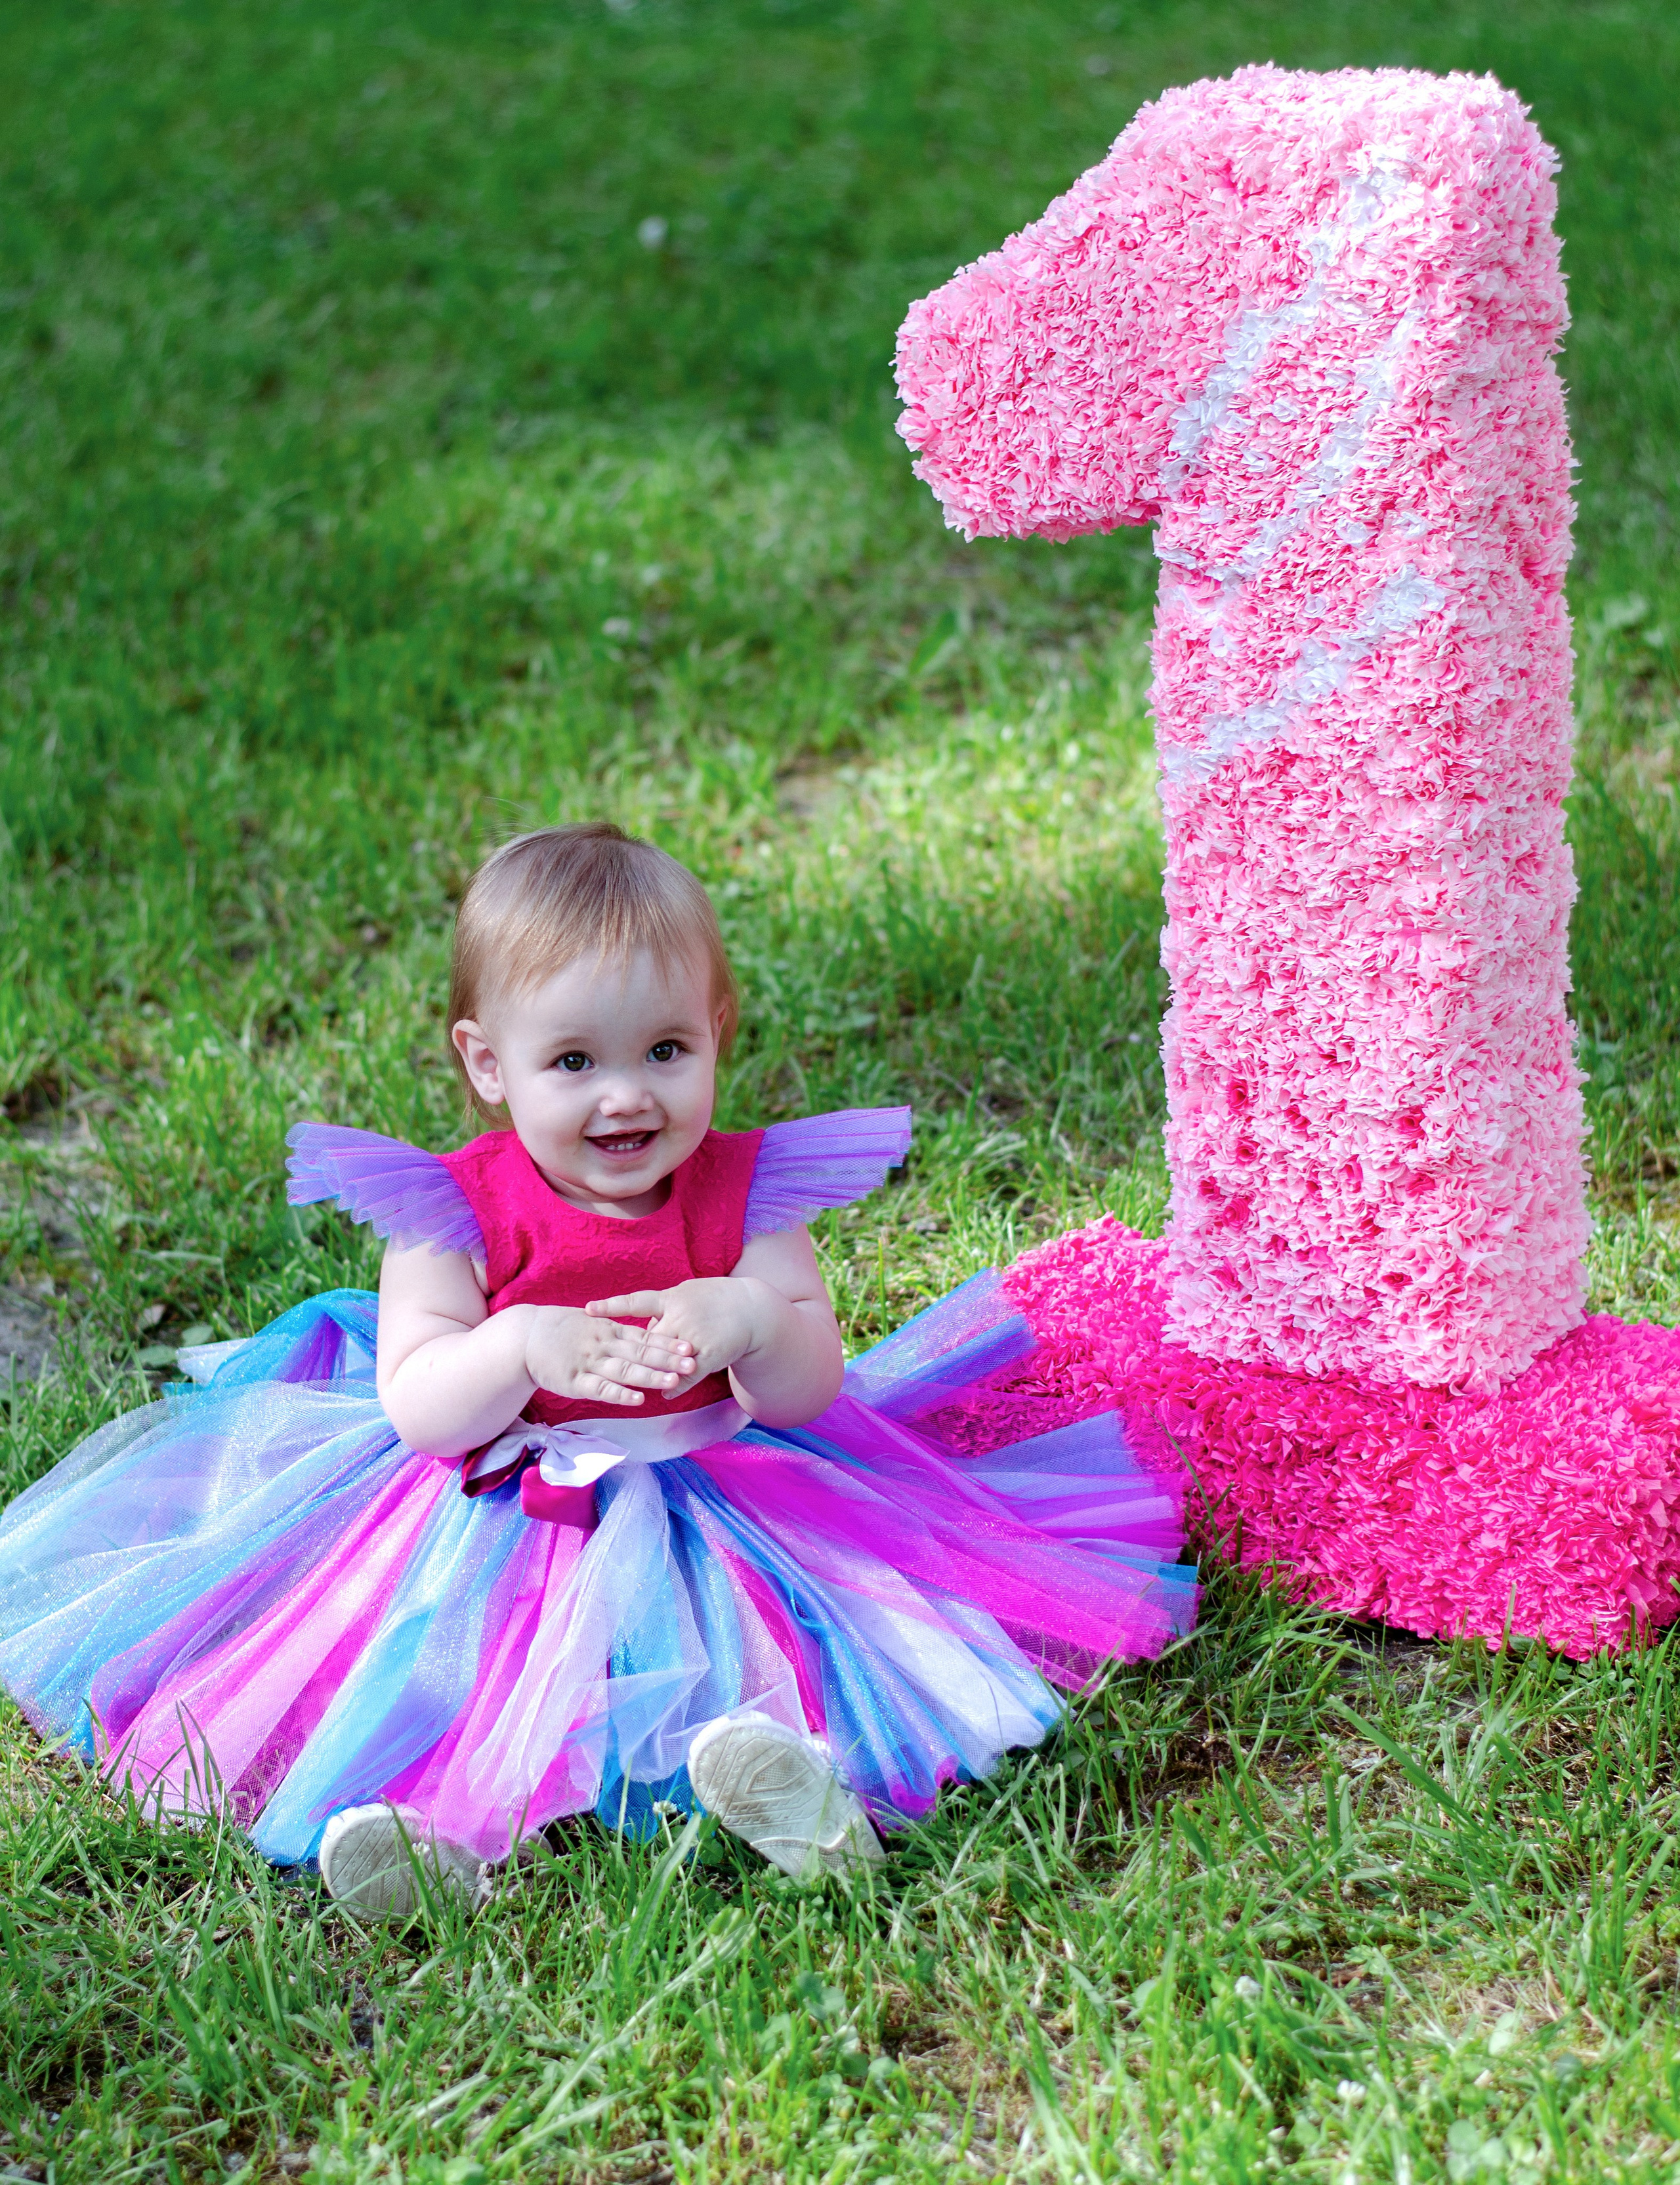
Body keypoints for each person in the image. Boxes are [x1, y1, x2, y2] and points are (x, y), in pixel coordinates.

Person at [0, 825, 1196, 1913]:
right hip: (505, 1510)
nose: (627, 1095)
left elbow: (806, 1391)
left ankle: (806, 1789)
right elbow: (419, 1406)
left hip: (727, 1482)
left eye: (665, 1049)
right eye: (572, 1060)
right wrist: (519, 1344)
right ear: (487, 1062)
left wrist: (752, 1317)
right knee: (454, 1665)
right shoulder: (447, 1214)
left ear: (718, 1030)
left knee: (790, 1626)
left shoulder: (748, 1195)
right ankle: (435, 1844)